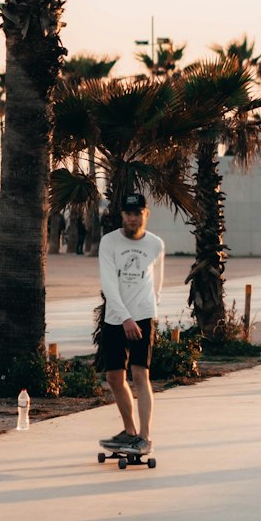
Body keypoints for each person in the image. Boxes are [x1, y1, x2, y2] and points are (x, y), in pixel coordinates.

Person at [97, 192, 166, 456]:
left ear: (145, 214)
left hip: (143, 316)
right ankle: (130, 431)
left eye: (138, 213)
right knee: (114, 376)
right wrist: (125, 317)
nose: (133, 218)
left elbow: (157, 279)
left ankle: (145, 437)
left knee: (140, 374)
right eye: (129, 213)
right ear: (122, 215)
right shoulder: (109, 242)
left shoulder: (156, 245)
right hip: (116, 317)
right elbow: (108, 284)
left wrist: (150, 310)